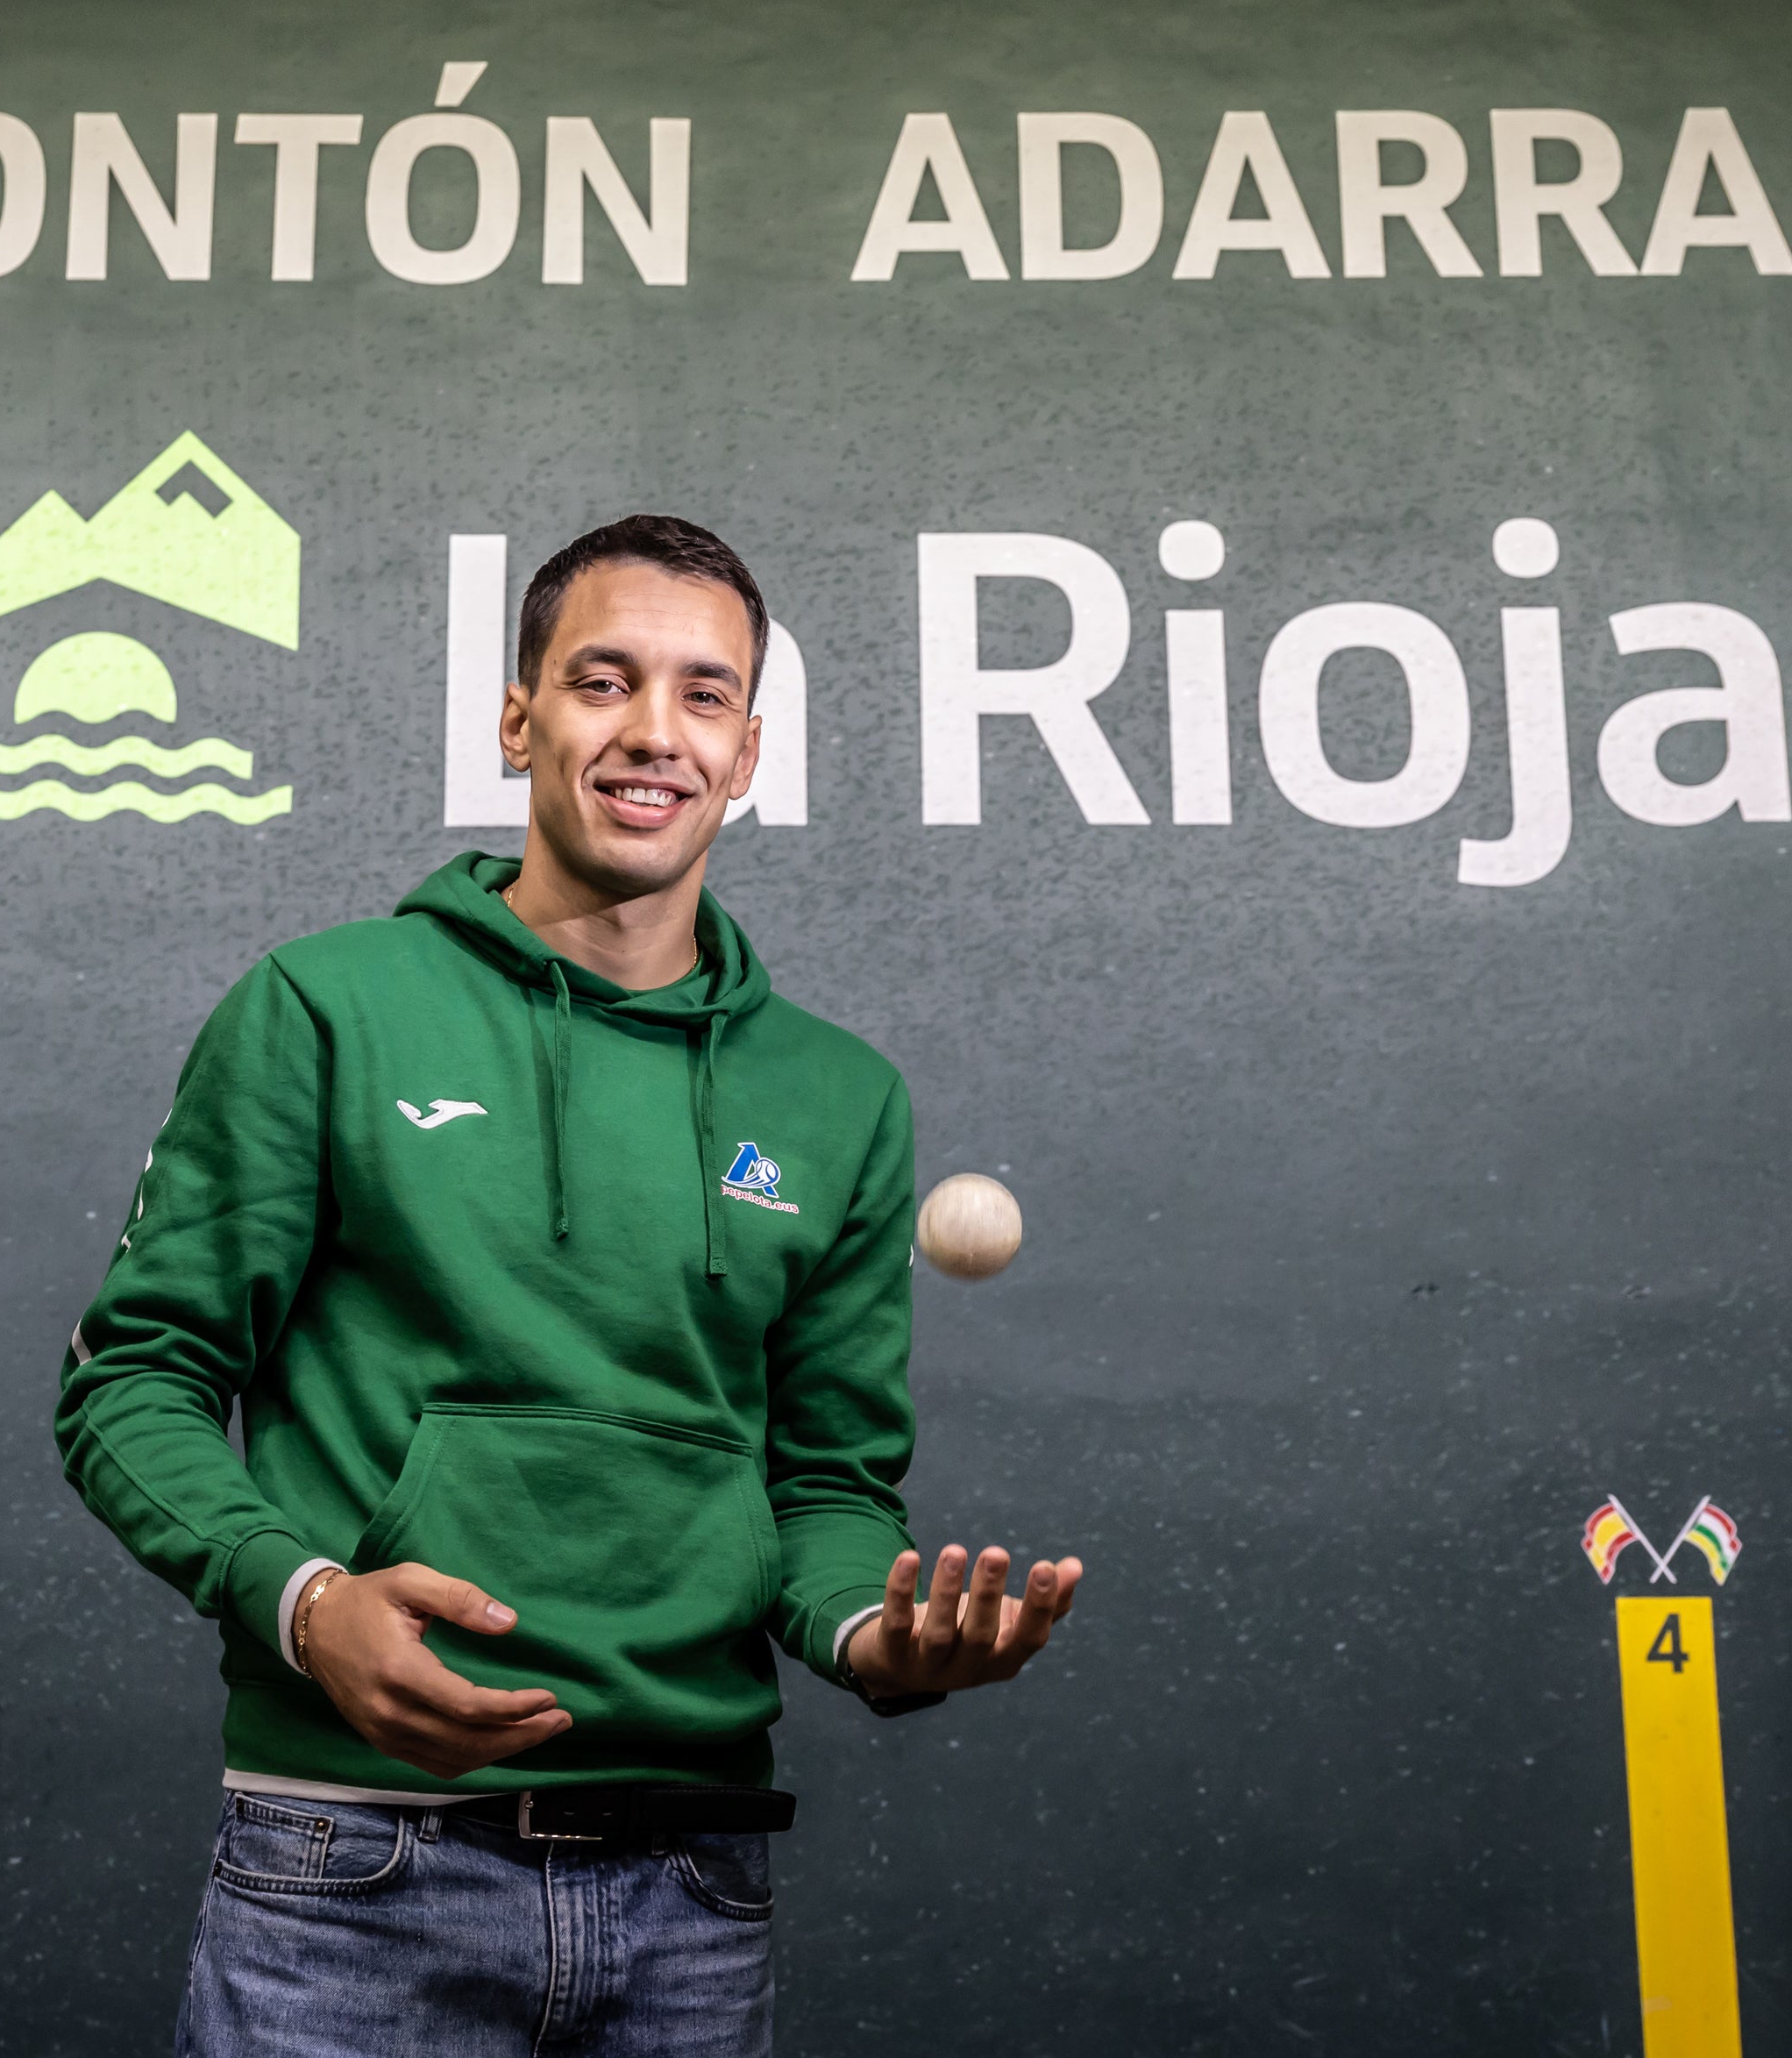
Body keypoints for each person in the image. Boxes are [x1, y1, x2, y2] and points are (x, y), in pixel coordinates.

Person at [55, 515, 1086, 2054]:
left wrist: (880, 1635)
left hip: (692, 1887)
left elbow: (822, 1484)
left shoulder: (837, 1097)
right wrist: (305, 1599)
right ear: (519, 718)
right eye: (602, 681)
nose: (652, 732)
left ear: (748, 749)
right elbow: (131, 1378)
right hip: (351, 1867)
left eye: (704, 694)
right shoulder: (327, 1005)